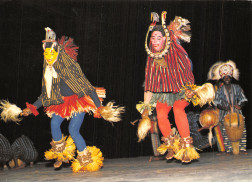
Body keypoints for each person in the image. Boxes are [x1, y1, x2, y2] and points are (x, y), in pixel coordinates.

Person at [21, 27, 124, 172]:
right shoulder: (49, 73)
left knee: (73, 130)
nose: (48, 56)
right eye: (46, 53)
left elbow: (89, 88)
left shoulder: (70, 68)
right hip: (62, 103)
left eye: (51, 52)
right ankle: (60, 155)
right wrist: (32, 108)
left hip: (77, 102)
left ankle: (86, 160)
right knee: (54, 123)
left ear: (57, 52)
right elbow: (46, 95)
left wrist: (99, 107)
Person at [137, 11, 200, 163]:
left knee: (178, 109)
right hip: (165, 91)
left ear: (165, 39)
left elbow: (186, 68)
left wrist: (189, 89)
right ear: (149, 40)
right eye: (153, 38)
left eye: (159, 38)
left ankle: (186, 148)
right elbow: (149, 83)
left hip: (182, 88)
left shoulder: (174, 50)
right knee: (160, 113)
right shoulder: (151, 56)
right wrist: (146, 106)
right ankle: (171, 145)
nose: (156, 41)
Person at [213, 60, 247, 154]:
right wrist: (225, 108)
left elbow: (243, 99)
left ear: (231, 77)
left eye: (228, 77)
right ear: (222, 78)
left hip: (237, 112)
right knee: (225, 131)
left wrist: (240, 106)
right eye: (225, 77)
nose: (226, 78)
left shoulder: (237, 87)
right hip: (225, 113)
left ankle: (242, 148)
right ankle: (228, 149)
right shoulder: (220, 90)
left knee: (242, 128)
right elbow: (216, 103)